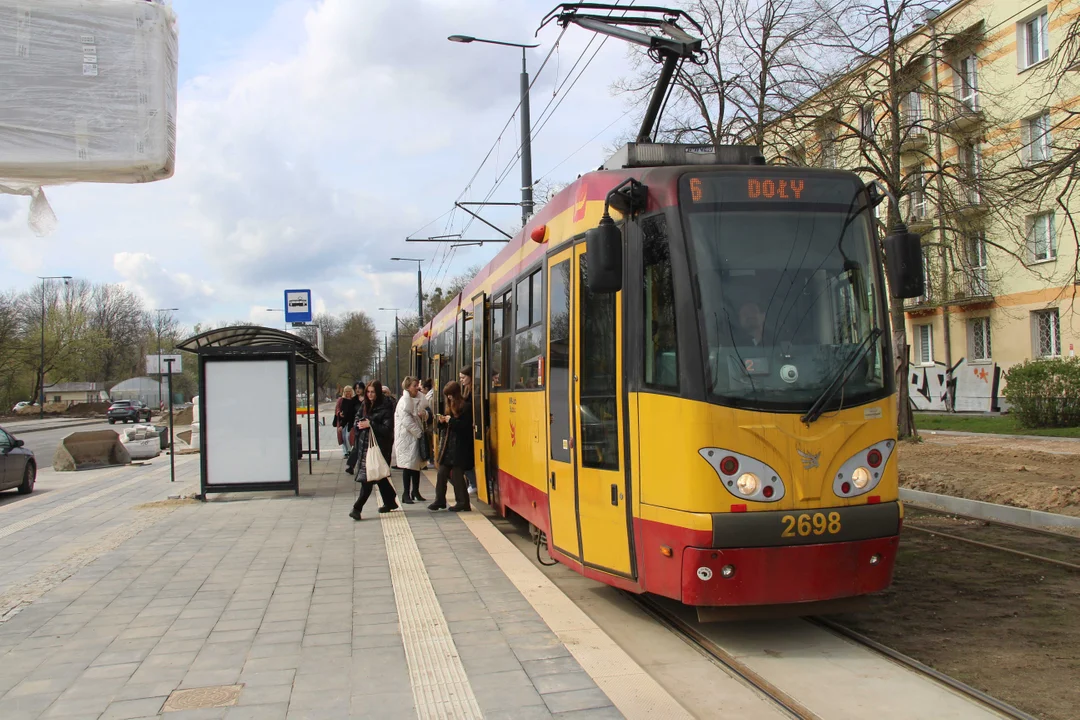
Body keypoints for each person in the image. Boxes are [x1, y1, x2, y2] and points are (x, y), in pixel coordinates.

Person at [347, 380, 399, 519]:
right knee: (378, 476)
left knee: (368, 479)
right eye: (368, 392)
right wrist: (359, 424)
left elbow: (388, 430)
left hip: (379, 448)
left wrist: (371, 424)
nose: (370, 395)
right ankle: (390, 500)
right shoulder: (365, 404)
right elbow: (357, 419)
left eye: (372, 392)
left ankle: (357, 508)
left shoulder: (386, 407)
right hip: (365, 447)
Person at [429, 380, 473, 513]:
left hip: (461, 446)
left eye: (450, 395)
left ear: (456, 394)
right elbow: (445, 427)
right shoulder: (449, 407)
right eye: (447, 395)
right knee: (442, 473)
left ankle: (463, 503)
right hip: (449, 447)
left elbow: (465, 427)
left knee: (457, 475)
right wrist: (442, 422)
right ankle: (440, 500)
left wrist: (451, 421)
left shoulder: (466, 407)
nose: (448, 398)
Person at [392, 377, 426, 504]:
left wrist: (425, 415)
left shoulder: (418, 399)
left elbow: (424, 412)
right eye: (414, 385)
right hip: (406, 438)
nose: (417, 387)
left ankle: (415, 491)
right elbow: (407, 421)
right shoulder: (403, 402)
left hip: (414, 437)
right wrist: (419, 433)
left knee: (416, 465)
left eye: (417, 385)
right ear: (407, 387)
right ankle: (405, 494)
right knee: (408, 466)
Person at [458, 366, 478, 495]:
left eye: (463, 377)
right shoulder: (467, 390)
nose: (462, 380)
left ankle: (474, 483)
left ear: (471, 376)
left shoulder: (475, 390)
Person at [333, 385, 359, 458]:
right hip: (342, 421)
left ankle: (350, 450)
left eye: (349, 391)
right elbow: (337, 408)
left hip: (351, 421)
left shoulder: (354, 400)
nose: (348, 393)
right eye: (346, 391)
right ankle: (345, 452)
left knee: (349, 436)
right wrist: (339, 413)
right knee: (343, 436)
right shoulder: (341, 400)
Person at [421, 378, 435, 469]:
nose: (421, 390)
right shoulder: (428, 397)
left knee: (430, 443)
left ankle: (432, 459)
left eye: (422, 388)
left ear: (426, 388)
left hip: (430, 425)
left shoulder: (430, 398)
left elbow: (431, 412)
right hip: (430, 425)